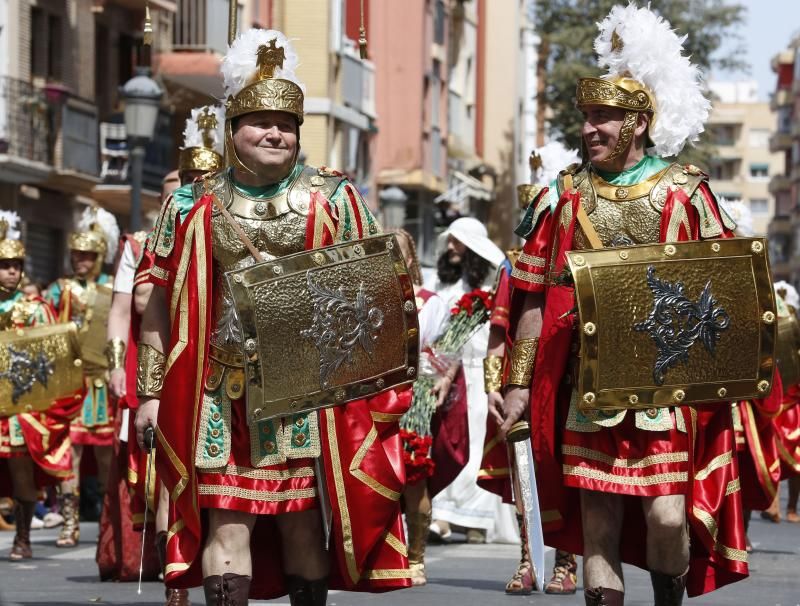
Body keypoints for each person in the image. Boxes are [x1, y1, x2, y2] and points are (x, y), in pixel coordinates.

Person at [134, 29, 411, 605]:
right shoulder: (191, 204)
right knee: (227, 522)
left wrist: (401, 254)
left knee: (302, 524)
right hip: (220, 390)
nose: (275, 131)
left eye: (285, 123)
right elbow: (154, 299)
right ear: (232, 128)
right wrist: (150, 392)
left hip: (306, 394)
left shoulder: (334, 197)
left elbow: (375, 289)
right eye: (259, 120)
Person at [500, 5, 750, 605]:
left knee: (668, 519)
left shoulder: (686, 191)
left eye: (605, 117)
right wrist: (515, 382)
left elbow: (730, 286)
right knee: (598, 526)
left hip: (669, 383)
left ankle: (669, 593)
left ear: (638, 123)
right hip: (588, 383)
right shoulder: (564, 193)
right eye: (587, 117)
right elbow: (532, 293)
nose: (591, 128)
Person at [428, 217, 518, 545]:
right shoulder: (444, 284)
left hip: (482, 376)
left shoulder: (493, 283)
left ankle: (476, 520)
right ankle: (444, 516)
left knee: (479, 444)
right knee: (450, 442)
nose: (451, 247)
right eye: (449, 241)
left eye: (458, 241)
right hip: (448, 374)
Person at [0, 211, 81, 560]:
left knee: (20, 471)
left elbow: (51, 358)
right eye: (4, 265)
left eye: (16, 265)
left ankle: (22, 537)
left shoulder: (34, 308)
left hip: (18, 406)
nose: (11, 272)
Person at [390, 228, 466, 586]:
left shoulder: (429, 301)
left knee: (413, 476)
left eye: (397, 252)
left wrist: (439, 376)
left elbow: (440, 354)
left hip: (413, 396)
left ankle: (416, 556)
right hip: (372, 398)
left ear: (410, 259)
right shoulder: (367, 298)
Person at [45, 206, 119, 548]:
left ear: (100, 255)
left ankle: (109, 523)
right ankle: (70, 522)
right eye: (76, 255)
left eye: (87, 256)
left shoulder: (113, 287)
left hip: (103, 384)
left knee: (107, 458)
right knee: (68, 453)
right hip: (70, 384)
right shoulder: (60, 290)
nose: (80, 262)